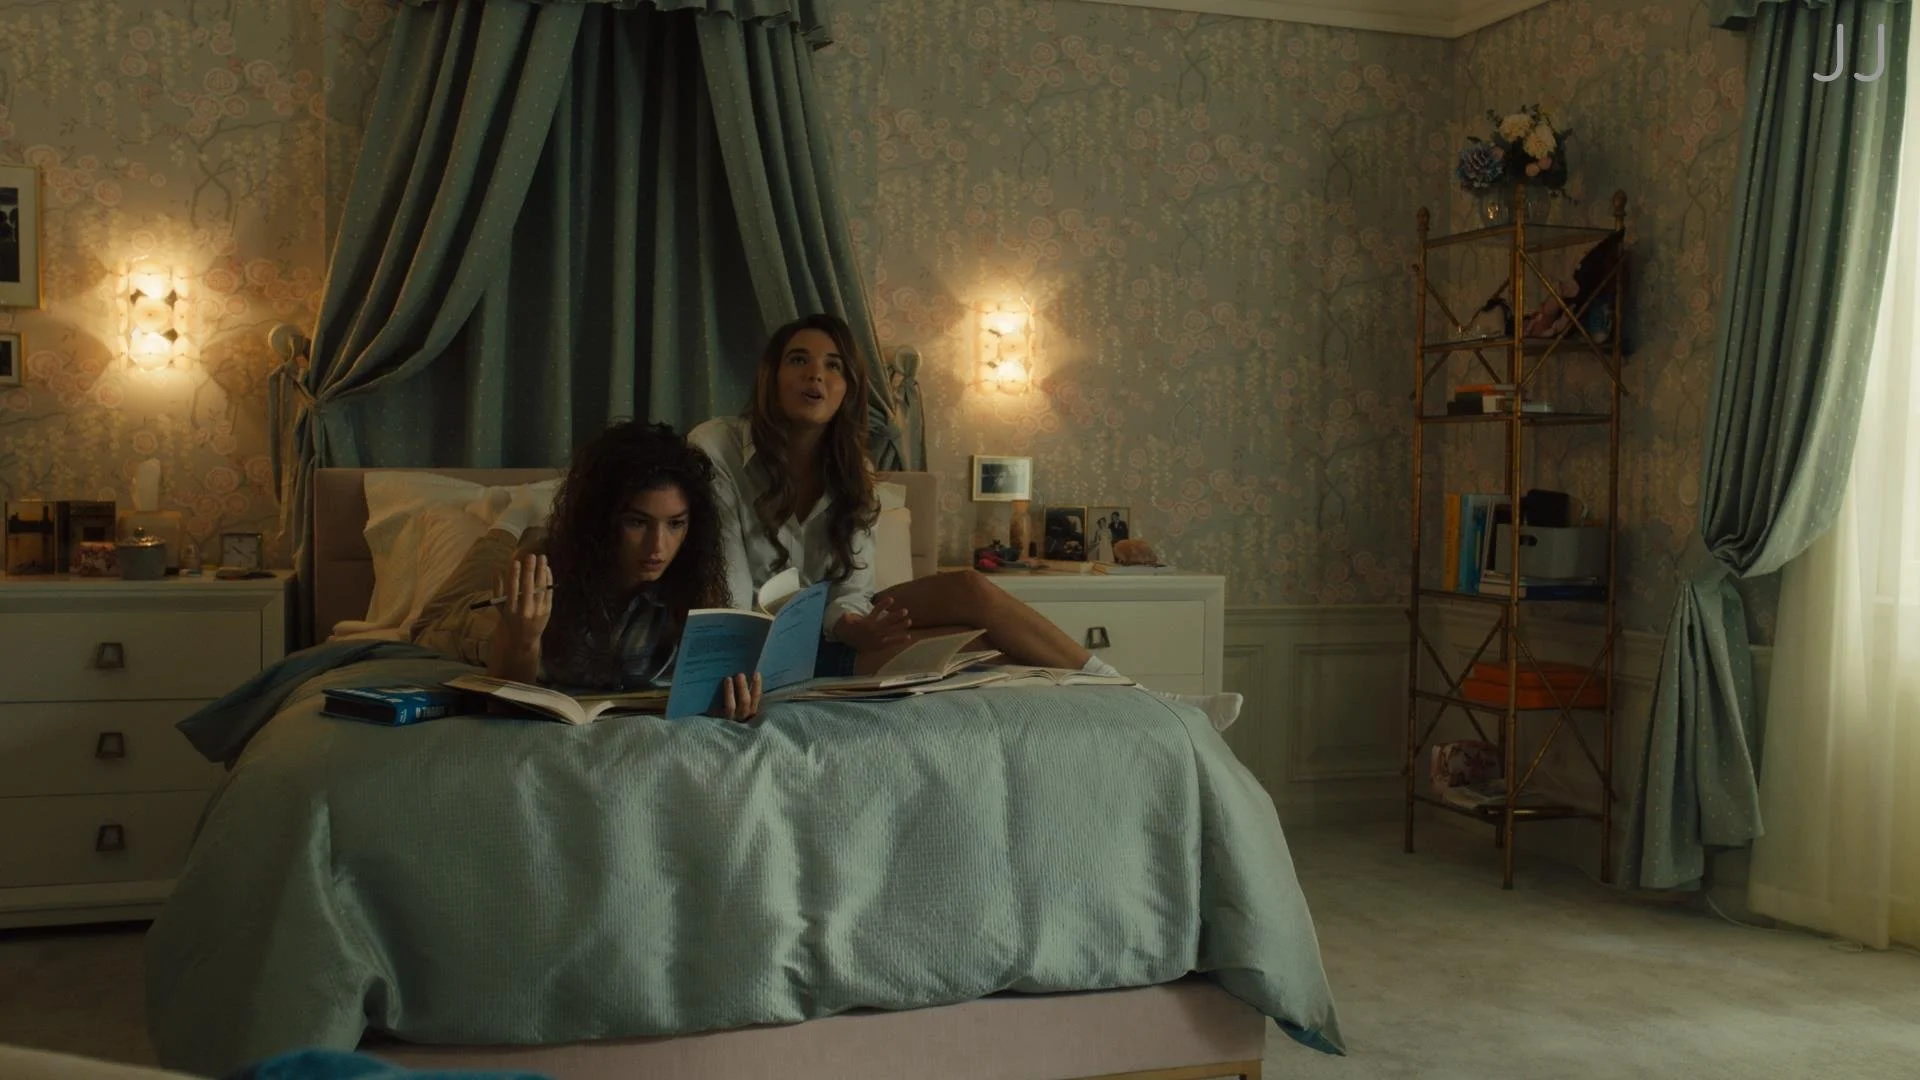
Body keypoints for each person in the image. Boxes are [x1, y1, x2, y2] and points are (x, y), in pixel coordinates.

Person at [688, 313, 1242, 732]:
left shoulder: (855, 472)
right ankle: (1144, 706)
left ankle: (1145, 700)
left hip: (837, 631)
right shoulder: (717, 447)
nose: (816, 374)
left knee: (971, 590)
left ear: (849, 387)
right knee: (992, 654)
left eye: (834, 365)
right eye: (799, 360)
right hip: (767, 647)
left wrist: (853, 623)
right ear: (772, 375)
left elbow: (851, 588)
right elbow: (729, 584)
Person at [410, 419, 762, 721]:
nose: (658, 546)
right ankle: (508, 521)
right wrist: (523, 636)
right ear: (603, 520)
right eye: (638, 522)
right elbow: (506, 699)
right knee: (429, 622)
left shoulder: (694, 580)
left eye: (675, 524)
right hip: (479, 625)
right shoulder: (546, 573)